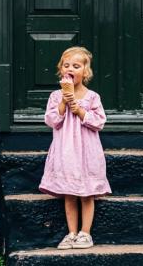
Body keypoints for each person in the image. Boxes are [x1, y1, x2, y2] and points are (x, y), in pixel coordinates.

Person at [38, 46, 111, 249]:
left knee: (87, 193)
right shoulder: (55, 96)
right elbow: (52, 120)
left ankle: (85, 233)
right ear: (61, 70)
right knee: (69, 193)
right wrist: (64, 100)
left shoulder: (92, 97)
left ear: (85, 72)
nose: (70, 68)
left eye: (76, 66)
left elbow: (99, 122)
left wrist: (78, 108)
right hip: (65, 152)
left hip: (86, 152)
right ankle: (71, 233)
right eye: (66, 65)